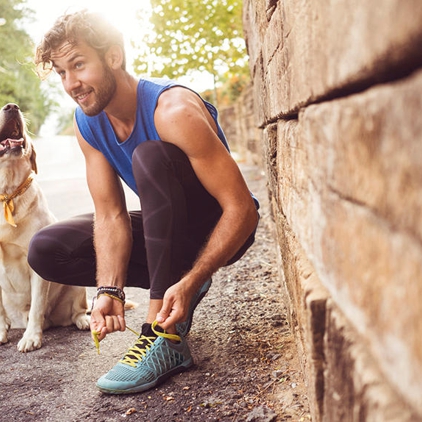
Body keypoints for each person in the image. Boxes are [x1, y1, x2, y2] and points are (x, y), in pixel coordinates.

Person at [29, 10, 259, 395]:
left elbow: (243, 210)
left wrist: (193, 278)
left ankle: (161, 336)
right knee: (47, 249)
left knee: (149, 157)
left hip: (218, 228)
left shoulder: (173, 110)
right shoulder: (88, 123)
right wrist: (109, 290)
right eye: (61, 73)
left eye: (79, 65)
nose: (71, 83)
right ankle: (171, 287)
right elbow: (110, 215)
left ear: (113, 57)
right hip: (166, 227)